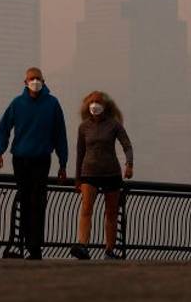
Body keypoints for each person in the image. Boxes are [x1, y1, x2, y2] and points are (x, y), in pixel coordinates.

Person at [0, 67, 69, 260]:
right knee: (26, 200)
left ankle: (35, 246)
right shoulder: (17, 104)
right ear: (25, 82)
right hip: (21, 159)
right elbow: (3, 128)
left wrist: (63, 163)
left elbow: (60, 134)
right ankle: (28, 242)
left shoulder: (52, 104)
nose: (35, 81)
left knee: (38, 201)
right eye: (31, 79)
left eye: (38, 78)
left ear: (44, 80)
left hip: (42, 159)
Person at [69, 91, 133, 261]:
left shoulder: (114, 125)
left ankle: (109, 250)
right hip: (89, 174)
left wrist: (129, 164)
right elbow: (80, 153)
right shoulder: (83, 127)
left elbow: (127, 145)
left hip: (111, 173)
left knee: (111, 213)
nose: (94, 105)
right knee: (86, 209)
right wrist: (77, 179)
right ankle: (83, 246)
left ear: (105, 105)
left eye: (98, 102)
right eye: (92, 102)